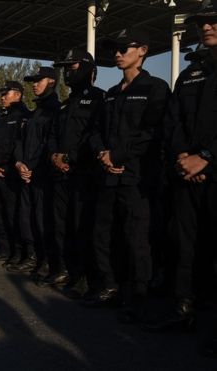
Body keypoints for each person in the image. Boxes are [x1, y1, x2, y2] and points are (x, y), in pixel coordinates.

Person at [86, 28, 170, 324]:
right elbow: (96, 132)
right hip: (108, 175)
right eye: (115, 49)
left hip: (137, 178)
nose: (118, 54)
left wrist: (119, 156)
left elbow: (152, 132)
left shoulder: (155, 88)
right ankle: (111, 286)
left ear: (143, 50)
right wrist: (103, 155)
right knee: (104, 235)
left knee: (137, 239)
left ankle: (139, 295)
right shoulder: (111, 94)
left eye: (124, 48)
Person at [145, 2, 217, 342]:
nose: (206, 26)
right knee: (183, 246)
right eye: (202, 22)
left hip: (210, 169)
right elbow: (172, 122)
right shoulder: (189, 73)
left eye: (213, 21)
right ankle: (183, 310)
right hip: (186, 174)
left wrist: (206, 157)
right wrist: (183, 156)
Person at [47, 49, 105, 297]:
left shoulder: (99, 99)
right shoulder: (64, 105)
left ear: (88, 69)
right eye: (65, 68)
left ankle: (87, 277)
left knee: (84, 226)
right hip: (61, 175)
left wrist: (70, 158)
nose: (68, 72)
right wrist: (54, 156)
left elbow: (96, 135)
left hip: (84, 174)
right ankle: (69, 270)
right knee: (62, 226)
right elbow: (52, 136)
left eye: (72, 67)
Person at [12, 66, 60, 281]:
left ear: (51, 81)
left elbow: (48, 144)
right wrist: (20, 163)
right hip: (26, 173)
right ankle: (32, 256)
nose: (34, 84)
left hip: (42, 176)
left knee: (42, 221)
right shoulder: (33, 114)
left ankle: (47, 260)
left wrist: (32, 167)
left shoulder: (55, 111)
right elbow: (21, 141)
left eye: (38, 80)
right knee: (26, 218)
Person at [0, 82, 30, 265]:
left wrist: (0, 164)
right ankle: (4, 249)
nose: (2, 97)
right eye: (1, 94)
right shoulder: (1, 118)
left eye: (6, 94)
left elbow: (15, 146)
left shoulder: (22, 116)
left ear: (18, 95)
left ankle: (17, 251)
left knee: (13, 214)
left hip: (10, 172)